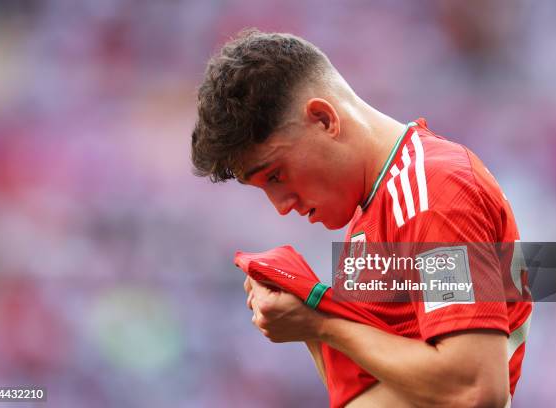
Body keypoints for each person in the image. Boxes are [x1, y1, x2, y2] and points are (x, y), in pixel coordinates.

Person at [191, 29, 532, 407]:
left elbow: (475, 390)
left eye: (275, 175)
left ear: (323, 119)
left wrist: (321, 323)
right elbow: (363, 395)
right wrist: (312, 319)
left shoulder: (432, 191)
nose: (281, 206)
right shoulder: (373, 217)